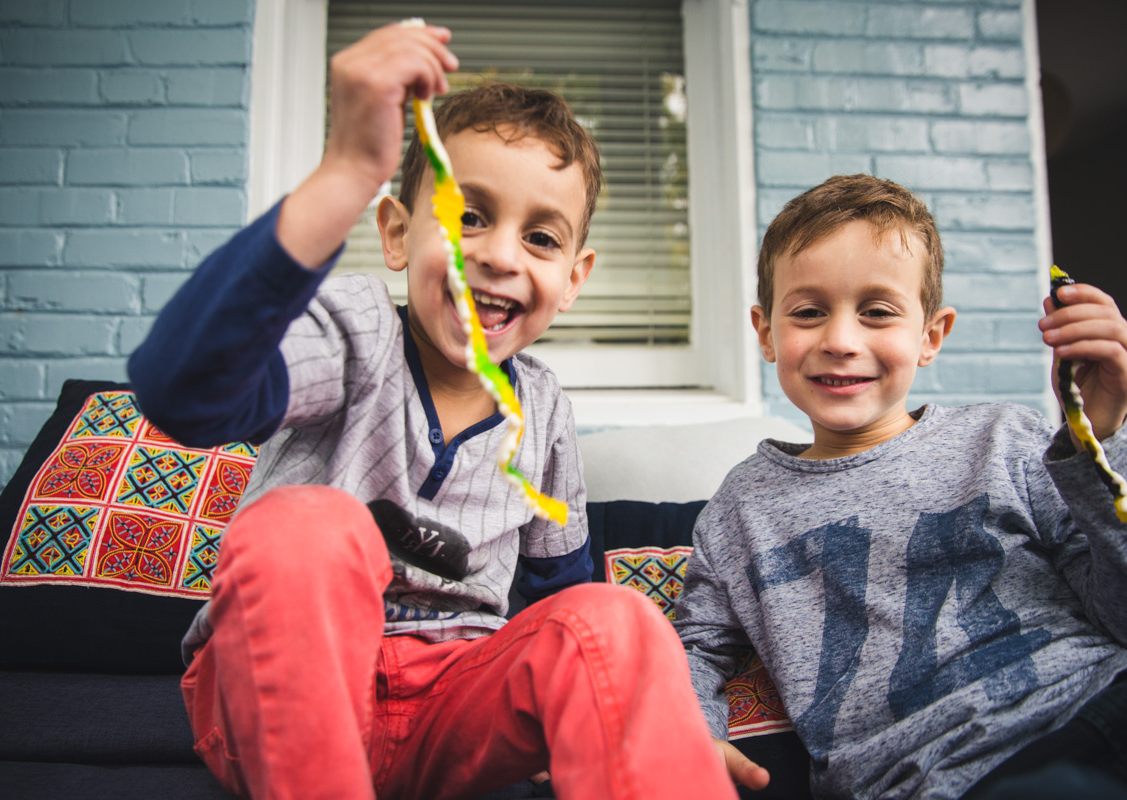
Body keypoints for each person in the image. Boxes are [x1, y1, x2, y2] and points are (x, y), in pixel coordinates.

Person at [128, 22, 740, 800]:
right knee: (306, 524)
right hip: (279, 699)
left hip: (452, 703)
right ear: (395, 232)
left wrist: (656, 726)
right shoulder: (355, 333)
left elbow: (561, 601)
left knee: (613, 618)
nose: (499, 254)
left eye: (541, 237)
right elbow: (184, 388)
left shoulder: (544, 408)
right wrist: (346, 167)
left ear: (574, 278)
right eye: (468, 215)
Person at [673, 173, 1127, 799]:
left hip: (1116, 703)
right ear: (767, 332)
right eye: (808, 312)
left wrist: (1100, 440)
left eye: (878, 312)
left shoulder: (1009, 439)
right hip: (940, 780)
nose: (841, 341)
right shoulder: (738, 513)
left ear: (930, 335)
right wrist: (687, 734)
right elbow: (694, 650)